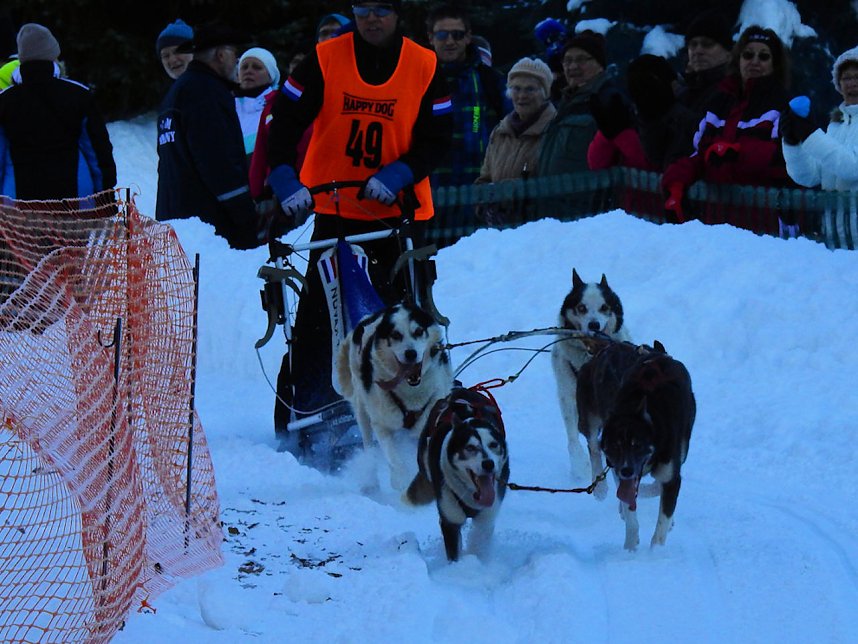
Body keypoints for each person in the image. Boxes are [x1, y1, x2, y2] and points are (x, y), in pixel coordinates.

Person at [266, 0, 452, 431]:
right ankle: (310, 405)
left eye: (382, 8)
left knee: (402, 319)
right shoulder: (326, 57)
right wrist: (283, 178)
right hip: (334, 210)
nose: (372, 17)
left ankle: (411, 409)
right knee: (319, 315)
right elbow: (285, 121)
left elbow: (438, 137)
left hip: (397, 214)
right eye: (363, 7)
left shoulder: (424, 64)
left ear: (398, 13)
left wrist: (399, 173)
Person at [661, 25, 793, 233]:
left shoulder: (785, 104)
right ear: (738, 59)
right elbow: (697, 152)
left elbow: (786, 158)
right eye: (748, 55)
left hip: (765, 222)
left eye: (764, 56)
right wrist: (675, 183)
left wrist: (736, 153)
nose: (755, 62)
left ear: (774, 64)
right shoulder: (719, 101)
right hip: (717, 221)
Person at [155, 24, 263, 250]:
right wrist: (245, 215)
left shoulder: (176, 94)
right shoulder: (205, 92)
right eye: (234, 54)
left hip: (178, 221)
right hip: (209, 227)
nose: (237, 62)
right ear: (221, 55)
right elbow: (217, 160)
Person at [425, 3, 510, 246]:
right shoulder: (417, 80)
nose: (450, 41)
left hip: (479, 196)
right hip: (433, 196)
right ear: (431, 38)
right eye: (442, 34)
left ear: (469, 37)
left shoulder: (488, 79)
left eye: (457, 34)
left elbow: (516, 126)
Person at [0, 23, 116, 201]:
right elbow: (98, 152)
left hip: (18, 207)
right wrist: (105, 197)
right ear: (53, 56)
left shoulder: (5, 101)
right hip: (76, 202)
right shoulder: (78, 95)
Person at [628, 10, 734, 170]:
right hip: (676, 187)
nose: (698, 50)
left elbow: (715, 140)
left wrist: (672, 110)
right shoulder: (685, 92)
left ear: (728, 53)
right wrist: (649, 117)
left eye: (707, 44)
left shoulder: (734, 91)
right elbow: (657, 156)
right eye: (692, 44)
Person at [474, 57, 556, 226]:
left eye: (530, 89)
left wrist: (505, 193)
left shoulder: (554, 130)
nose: (522, 96)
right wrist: (483, 207)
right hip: (500, 232)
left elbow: (553, 182)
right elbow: (484, 179)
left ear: (544, 93)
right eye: (516, 88)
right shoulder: (500, 132)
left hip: (539, 228)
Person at [538, 30, 615, 178]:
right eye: (567, 60)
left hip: (589, 198)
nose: (572, 66)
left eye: (581, 60)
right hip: (553, 196)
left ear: (599, 64)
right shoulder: (562, 105)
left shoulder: (609, 101)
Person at [782, 46, 858, 192]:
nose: (853, 83)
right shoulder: (836, 126)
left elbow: (852, 167)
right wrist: (793, 143)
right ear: (839, 85)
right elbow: (809, 176)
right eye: (847, 77)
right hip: (830, 215)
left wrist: (809, 134)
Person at [235, 47, 280, 161]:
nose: (248, 71)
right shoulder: (227, 105)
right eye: (244, 67)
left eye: (257, 67)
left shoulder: (279, 106)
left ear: (271, 76)